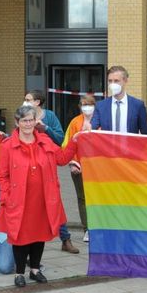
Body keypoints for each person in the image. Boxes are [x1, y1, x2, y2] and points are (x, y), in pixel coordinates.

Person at [0, 105, 82, 287]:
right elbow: (2, 175)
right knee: (20, 237)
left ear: (36, 121)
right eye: (24, 120)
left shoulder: (45, 141)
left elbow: (62, 159)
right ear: (17, 122)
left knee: (39, 235)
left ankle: (35, 270)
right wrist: (6, 197)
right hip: (19, 201)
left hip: (43, 200)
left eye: (31, 120)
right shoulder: (7, 147)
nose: (28, 124)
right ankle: (19, 273)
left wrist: (74, 141)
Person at [61, 95, 94, 245]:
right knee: (82, 198)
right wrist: (73, 162)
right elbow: (67, 143)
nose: (86, 107)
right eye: (83, 104)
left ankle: (99, 227)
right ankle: (87, 228)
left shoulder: (100, 120)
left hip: (97, 167)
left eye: (89, 104)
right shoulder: (75, 122)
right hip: (79, 167)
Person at [90, 66, 147, 134]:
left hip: (129, 144)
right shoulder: (101, 106)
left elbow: (146, 133)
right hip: (108, 144)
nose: (112, 84)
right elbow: (92, 128)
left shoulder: (137, 105)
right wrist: (88, 127)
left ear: (125, 81)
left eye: (116, 81)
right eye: (110, 81)